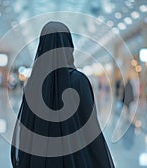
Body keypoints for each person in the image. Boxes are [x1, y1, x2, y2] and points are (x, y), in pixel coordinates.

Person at [11, 22, 114, 168]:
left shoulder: (32, 85)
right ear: (69, 46)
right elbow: (91, 130)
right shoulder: (79, 81)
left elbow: (25, 131)